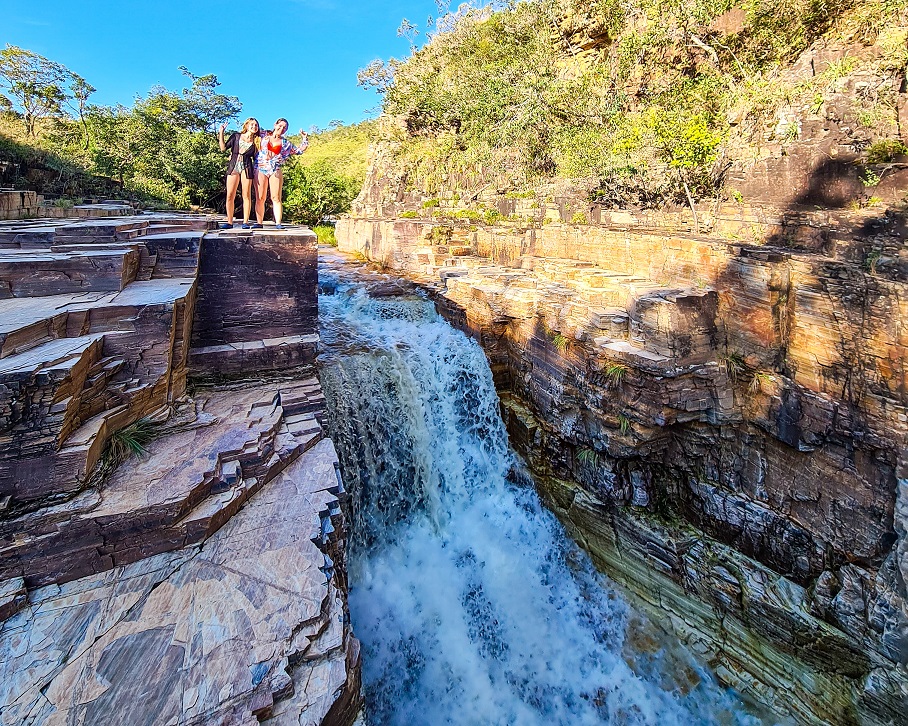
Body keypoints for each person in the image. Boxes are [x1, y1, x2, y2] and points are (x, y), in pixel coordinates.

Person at [254, 118, 308, 229]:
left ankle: (278, 223)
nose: (281, 129)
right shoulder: (264, 135)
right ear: (275, 125)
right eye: (280, 126)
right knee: (260, 197)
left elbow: (299, 151)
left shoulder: (286, 143)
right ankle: (259, 223)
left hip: (275, 169)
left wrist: (304, 138)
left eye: (285, 128)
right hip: (260, 168)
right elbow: (251, 133)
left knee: (276, 197)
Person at [218, 118, 261, 229]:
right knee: (230, 195)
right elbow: (223, 148)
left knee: (246, 195)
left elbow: (258, 157)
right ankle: (229, 222)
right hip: (233, 167)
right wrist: (221, 132)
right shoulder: (236, 136)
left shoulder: (257, 141)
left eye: (256, 125)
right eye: (252, 124)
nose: (254, 126)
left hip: (247, 167)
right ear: (246, 125)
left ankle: (245, 222)